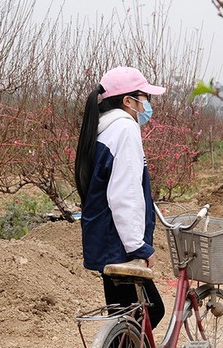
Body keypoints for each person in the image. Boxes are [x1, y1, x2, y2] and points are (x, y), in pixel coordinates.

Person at [75, 66, 165, 329]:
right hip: (118, 243)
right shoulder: (124, 129)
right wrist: (139, 246)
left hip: (105, 238)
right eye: (144, 97)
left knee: (123, 318)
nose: (147, 104)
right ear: (128, 100)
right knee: (152, 311)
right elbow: (123, 195)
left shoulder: (104, 127)